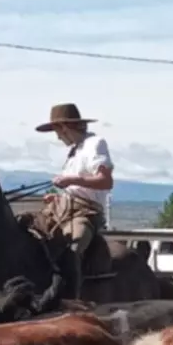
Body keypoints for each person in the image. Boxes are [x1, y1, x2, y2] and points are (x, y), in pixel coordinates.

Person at [35, 103, 114, 298]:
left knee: (73, 248)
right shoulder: (73, 151)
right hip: (62, 207)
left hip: (86, 211)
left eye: (57, 131)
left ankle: (72, 298)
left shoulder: (95, 144)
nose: (57, 136)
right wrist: (58, 196)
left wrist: (71, 180)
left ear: (64, 127)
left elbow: (105, 181)